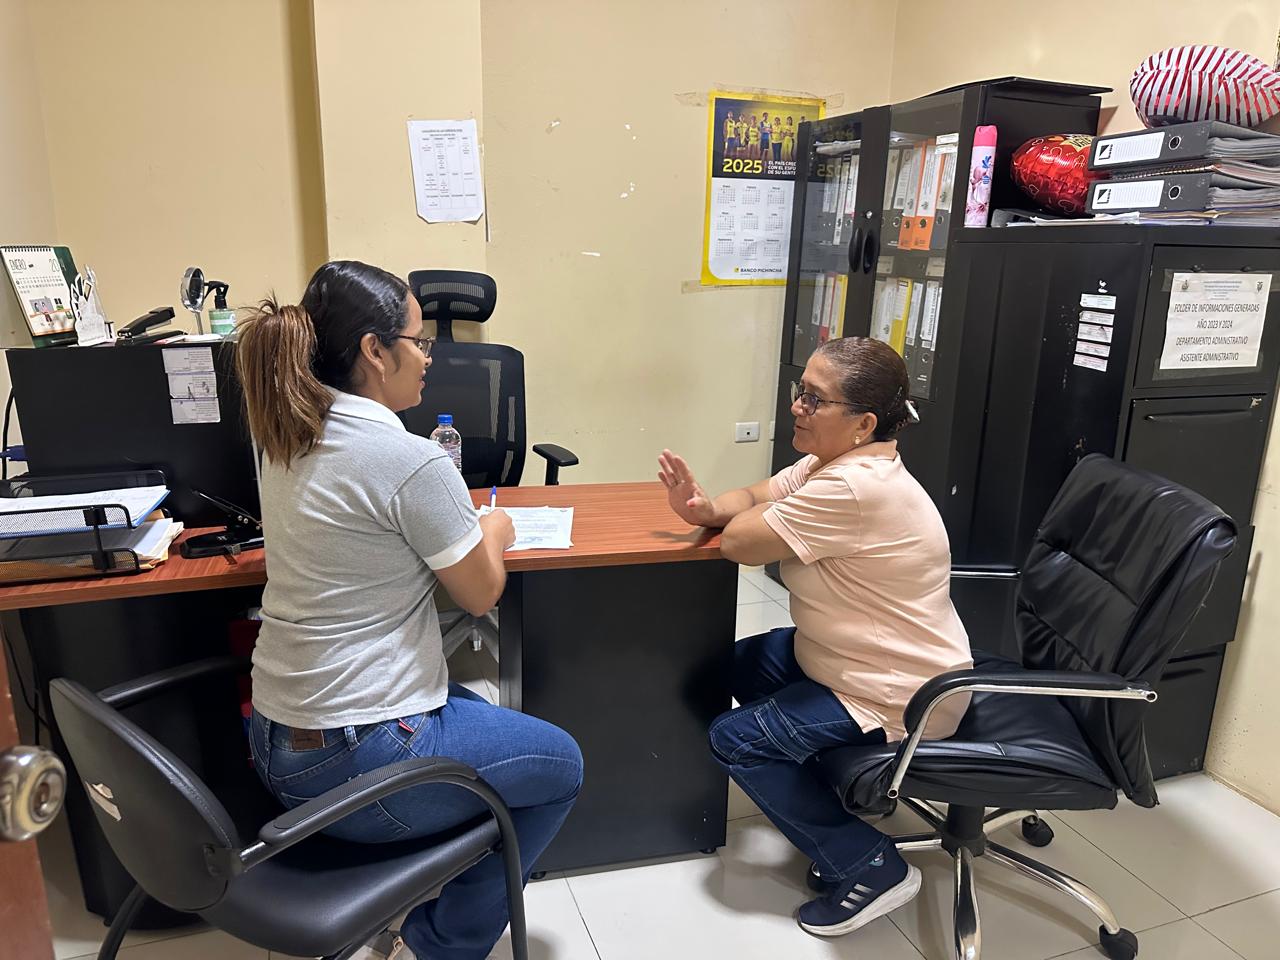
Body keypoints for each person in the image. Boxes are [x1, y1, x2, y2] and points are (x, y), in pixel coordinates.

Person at [238, 260, 583, 960]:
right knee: (563, 766)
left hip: (272, 740)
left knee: (468, 705)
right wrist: (496, 530)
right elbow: (480, 593)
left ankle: (425, 885)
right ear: (374, 350)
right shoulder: (408, 459)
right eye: (418, 343)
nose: (430, 358)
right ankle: (439, 944)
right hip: (351, 765)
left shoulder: (282, 434)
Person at [657, 337, 971, 939]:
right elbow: (752, 499)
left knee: (736, 739)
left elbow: (740, 543)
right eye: (799, 391)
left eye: (814, 399)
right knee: (725, 667)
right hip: (841, 657)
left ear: (864, 423)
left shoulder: (853, 486)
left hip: (900, 691)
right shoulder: (832, 463)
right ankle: (821, 783)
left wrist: (734, 521)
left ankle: (870, 864)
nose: (796, 406)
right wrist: (704, 508)